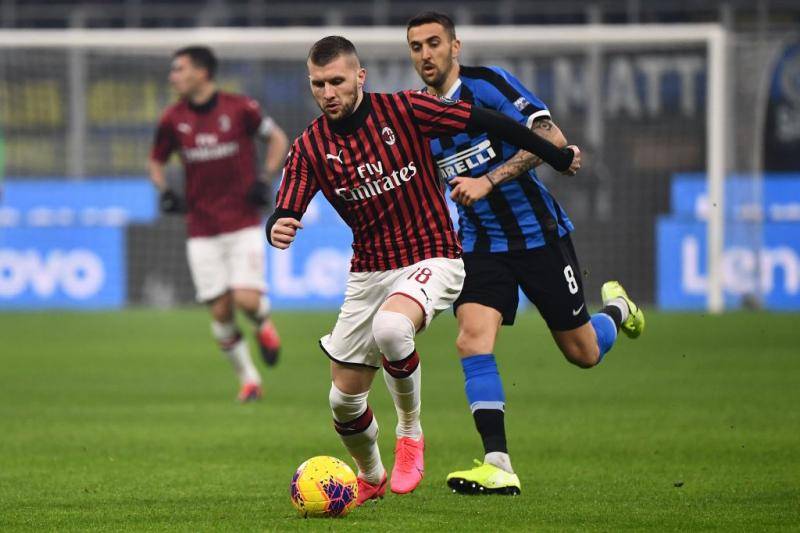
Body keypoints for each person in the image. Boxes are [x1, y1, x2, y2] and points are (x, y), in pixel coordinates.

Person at [266, 36, 579, 504]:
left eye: (337, 81)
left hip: (432, 254)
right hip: (369, 272)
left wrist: (556, 154)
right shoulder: (310, 146)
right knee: (343, 402)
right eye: (318, 84)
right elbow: (287, 203)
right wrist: (278, 224)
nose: (328, 93)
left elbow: (489, 121)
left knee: (392, 328)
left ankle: (410, 433)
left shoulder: (404, 110)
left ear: (360, 77)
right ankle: (371, 476)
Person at [406, 11, 646, 495]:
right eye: (416, 46)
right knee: (471, 340)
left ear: (455, 46)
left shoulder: (488, 85)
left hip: (539, 235)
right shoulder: (418, 114)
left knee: (583, 353)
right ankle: (498, 464)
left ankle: (618, 310)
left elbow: (552, 139)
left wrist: (488, 179)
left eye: (434, 43)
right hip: (479, 244)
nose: (426, 54)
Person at [149, 46, 288, 402]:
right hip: (201, 228)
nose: (173, 77)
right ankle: (250, 380)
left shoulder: (240, 108)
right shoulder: (172, 118)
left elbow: (277, 138)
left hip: (242, 222)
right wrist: (164, 191)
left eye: (179, 69)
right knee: (221, 311)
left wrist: (265, 177)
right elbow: (156, 161)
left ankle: (263, 323)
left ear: (201, 72)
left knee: (245, 300)